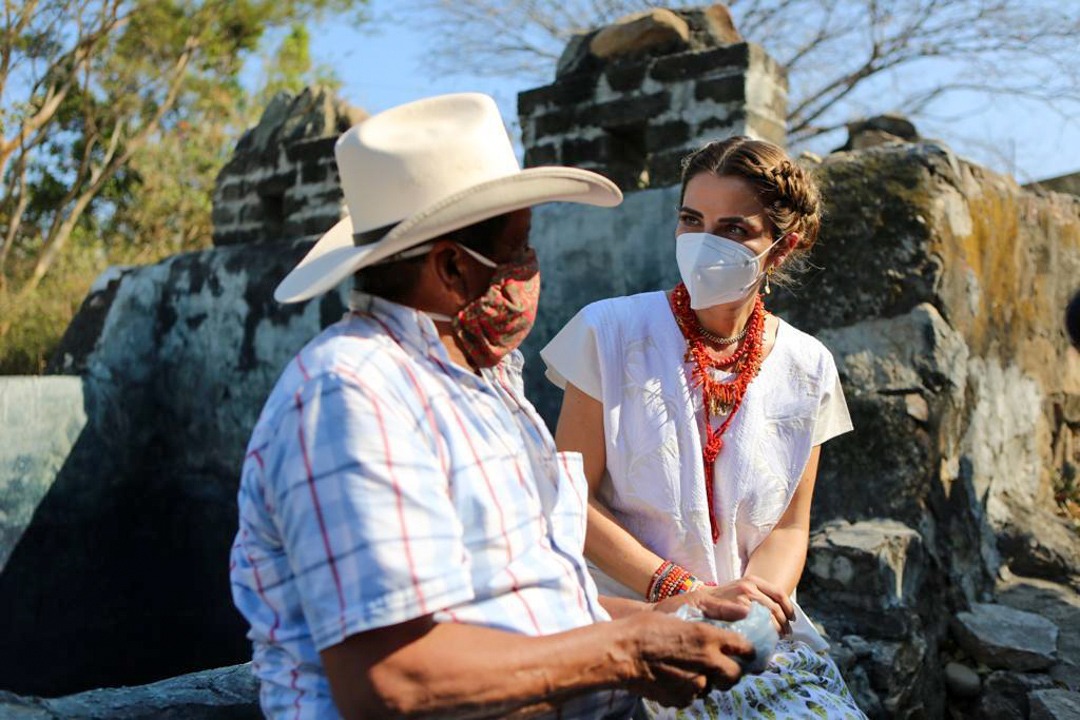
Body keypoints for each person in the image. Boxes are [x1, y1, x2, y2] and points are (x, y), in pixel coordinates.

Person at [228, 94, 792, 719]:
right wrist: (628, 650)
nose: (532, 266)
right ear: (450, 267)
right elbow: (391, 679)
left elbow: (531, 600)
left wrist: (667, 618)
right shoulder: (352, 396)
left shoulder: (485, 380)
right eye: (520, 248)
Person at [541, 136, 866, 718]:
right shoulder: (610, 333)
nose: (703, 243)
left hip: (747, 626)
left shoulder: (808, 365)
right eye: (692, 220)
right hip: (624, 616)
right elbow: (570, 501)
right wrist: (683, 594)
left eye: (734, 229)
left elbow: (789, 528)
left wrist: (754, 612)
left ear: (783, 247)